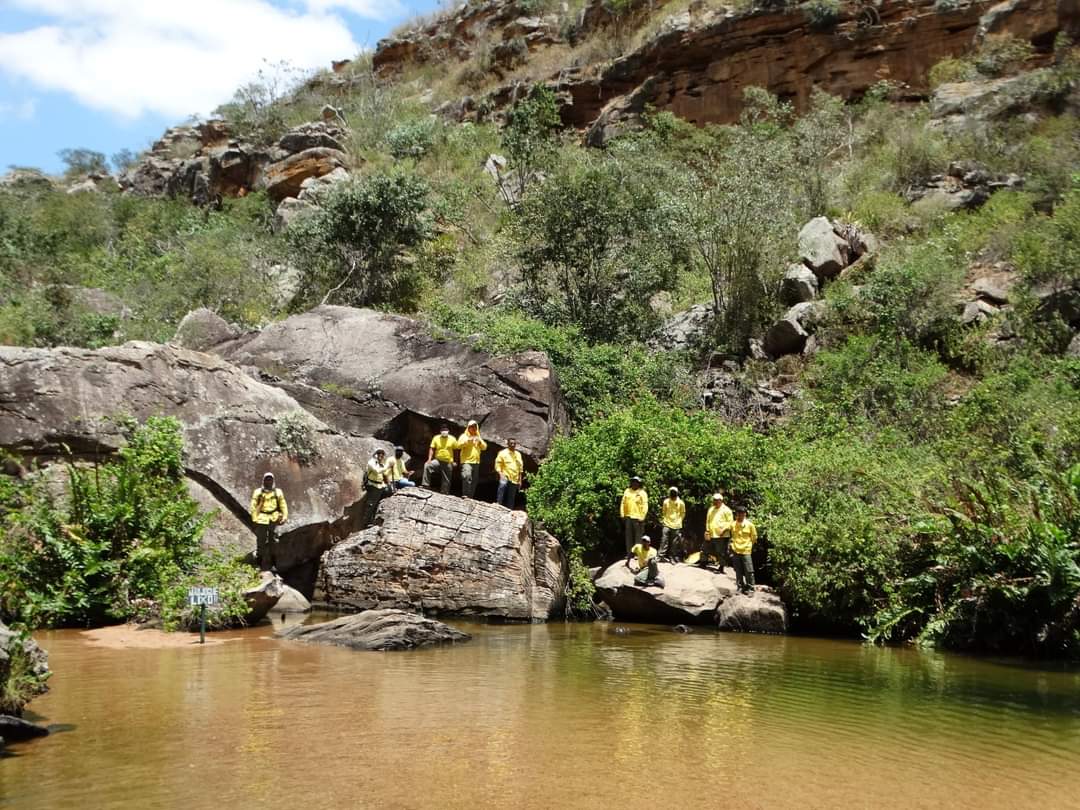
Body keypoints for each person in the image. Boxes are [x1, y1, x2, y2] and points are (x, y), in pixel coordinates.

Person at [250, 472, 287, 572]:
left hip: (273, 518)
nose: (268, 481)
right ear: (264, 480)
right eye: (267, 479)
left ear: (273, 480)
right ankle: (259, 562)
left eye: (270, 479)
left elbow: (283, 505)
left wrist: (284, 516)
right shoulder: (258, 492)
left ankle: (273, 563)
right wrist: (254, 519)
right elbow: (253, 506)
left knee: (273, 542)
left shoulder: (278, 492)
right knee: (261, 541)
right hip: (261, 518)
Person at [729, 504, 758, 595]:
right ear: (736, 514)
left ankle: (751, 588)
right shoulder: (733, 525)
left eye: (742, 513)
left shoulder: (750, 525)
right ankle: (740, 587)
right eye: (738, 513)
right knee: (738, 570)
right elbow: (731, 536)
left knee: (749, 570)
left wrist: (749, 546)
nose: (740, 515)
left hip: (746, 550)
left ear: (745, 514)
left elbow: (754, 538)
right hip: (736, 550)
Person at [701, 492, 733, 573]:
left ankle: (721, 566)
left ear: (721, 500)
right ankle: (703, 563)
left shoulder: (727, 510)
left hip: (722, 535)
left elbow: (730, 522)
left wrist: (724, 529)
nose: (714, 501)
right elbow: (708, 521)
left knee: (721, 552)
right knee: (705, 548)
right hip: (711, 533)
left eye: (716, 500)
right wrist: (707, 530)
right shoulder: (711, 509)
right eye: (714, 500)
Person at [422, 425, 457, 494]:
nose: (444, 432)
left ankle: (444, 491)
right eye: (443, 430)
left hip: (448, 461)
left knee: (446, 477)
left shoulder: (452, 439)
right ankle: (425, 485)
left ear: (448, 431)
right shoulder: (436, 438)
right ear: (440, 431)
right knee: (427, 465)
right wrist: (429, 459)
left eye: (446, 430)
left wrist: (455, 461)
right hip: (437, 460)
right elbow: (432, 448)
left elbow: (456, 450)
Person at [457, 420, 487, 499]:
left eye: (475, 427)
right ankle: (465, 494)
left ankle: (470, 497)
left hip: (476, 462)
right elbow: (458, 446)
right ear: (468, 427)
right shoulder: (464, 436)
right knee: (467, 476)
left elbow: (484, 447)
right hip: (466, 461)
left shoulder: (478, 437)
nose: (473, 428)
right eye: (471, 427)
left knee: (474, 480)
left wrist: (480, 442)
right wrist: (467, 441)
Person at [364, 449, 392, 527]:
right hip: (373, 486)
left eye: (382, 455)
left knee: (379, 502)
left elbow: (385, 474)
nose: (381, 456)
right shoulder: (371, 462)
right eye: (379, 454)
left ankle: (376, 518)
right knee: (371, 504)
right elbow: (377, 471)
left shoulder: (381, 464)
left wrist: (389, 484)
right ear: (376, 455)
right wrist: (387, 466)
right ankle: (367, 522)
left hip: (380, 486)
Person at [620, 476, 648, 553]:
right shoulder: (627, 491)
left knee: (638, 538)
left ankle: (637, 554)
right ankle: (629, 554)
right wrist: (622, 514)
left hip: (638, 518)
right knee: (628, 537)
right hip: (628, 517)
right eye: (633, 481)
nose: (634, 483)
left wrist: (642, 517)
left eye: (636, 482)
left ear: (639, 483)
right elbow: (623, 503)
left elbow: (645, 506)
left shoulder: (642, 493)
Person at [495, 438, 524, 509]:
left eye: (514, 443)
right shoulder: (502, 453)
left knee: (511, 496)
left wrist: (520, 480)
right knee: (502, 486)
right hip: (505, 475)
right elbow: (498, 464)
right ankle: (498, 504)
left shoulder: (518, 454)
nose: (513, 445)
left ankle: (509, 509)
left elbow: (520, 468)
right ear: (507, 444)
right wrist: (500, 474)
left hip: (514, 478)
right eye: (511, 443)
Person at [659, 486, 686, 562]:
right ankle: (660, 556)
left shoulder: (681, 503)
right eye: (671, 492)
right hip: (667, 523)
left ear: (677, 493)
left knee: (674, 543)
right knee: (664, 540)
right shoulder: (666, 501)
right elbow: (663, 512)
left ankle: (672, 557)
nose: (672, 493)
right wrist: (664, 520)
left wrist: (679, 521)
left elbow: (683, 513)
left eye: (674, 492)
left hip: (676, 524)